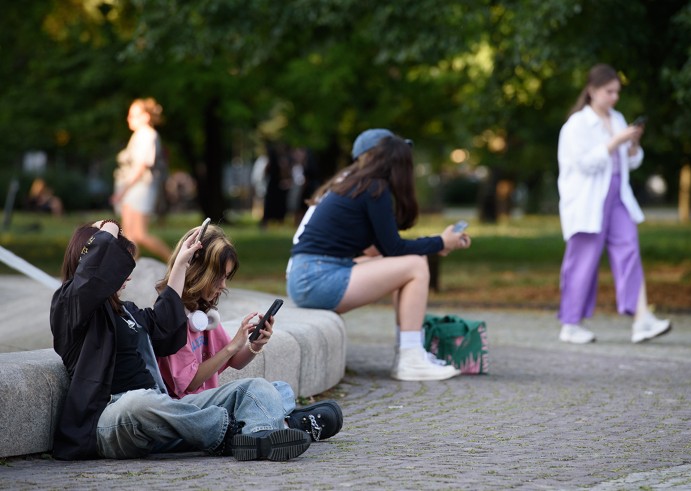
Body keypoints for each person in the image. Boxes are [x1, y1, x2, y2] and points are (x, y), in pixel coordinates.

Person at [50, 219, 312, 461]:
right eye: (118, 265)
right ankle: (240, 428)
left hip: (164, 411)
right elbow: (90, 276)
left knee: (254, 388)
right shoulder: (70, 310)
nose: (127, 275)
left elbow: (165, 324)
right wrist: (108, 227)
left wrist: (181, 265)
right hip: (111, 419)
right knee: (139, 403)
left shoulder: (127, 311)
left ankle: (259, 436)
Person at [286, 129, 471, 381]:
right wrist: (440, 241)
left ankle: (410, 351)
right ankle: (410, 358)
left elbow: (383, 252)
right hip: (316, 278)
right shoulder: (374, 187)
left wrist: (439, 244)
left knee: (405, 266)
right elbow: (394, 249)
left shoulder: (355, 185)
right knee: (416, 265)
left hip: (308, 275)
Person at [156, 224, 343, 442]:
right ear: (198, 272)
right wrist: (231, 347)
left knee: (280, 389)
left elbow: (235, 361)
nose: (223, 285)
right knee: (255, 390)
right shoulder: (171, 319)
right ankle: (279, 427)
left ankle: (276, 425)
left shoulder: (202, 314)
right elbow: (190, 383)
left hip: (211, 403)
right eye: (219, 277)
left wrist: (254, 345)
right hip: (189, 410)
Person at [556, 63, 671, 344]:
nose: (614, 97)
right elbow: (583, 164)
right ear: (592, 90)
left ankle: (641, 318)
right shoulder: (576, 125)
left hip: (618, 196)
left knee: (629, 249)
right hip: (587, 200)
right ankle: (571, 324)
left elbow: (631, 161)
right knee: (583, 261)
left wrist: (631, 145)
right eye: (609, 91)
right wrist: (614, 142)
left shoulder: (617, 119)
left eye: (617, 92)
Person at [111, 98, 172, 261]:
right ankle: (129, 272)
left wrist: (123, 190)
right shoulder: (139, 135)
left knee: (140, 234)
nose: (129, 119)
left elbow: (141, 166)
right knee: (128, 236)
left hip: (141, 188)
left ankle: (178, 263)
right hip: (133, 188)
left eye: (134, 115)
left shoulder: (147, 135)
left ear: (146, 116)